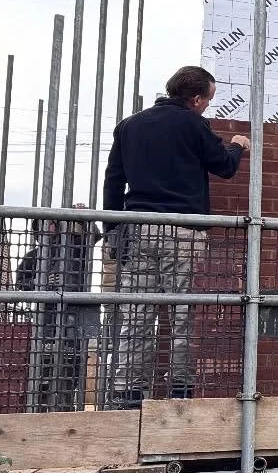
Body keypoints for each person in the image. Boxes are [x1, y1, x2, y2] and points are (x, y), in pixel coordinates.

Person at [102, 66, 250, 408]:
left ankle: (128, 396)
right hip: (183, 231)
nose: (207, 107)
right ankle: (181, 394)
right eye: (208, 100)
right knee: (181, 315)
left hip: (138, 229)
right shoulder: (193, 124)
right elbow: (224, 167)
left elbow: (113, 181)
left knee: (136, 316)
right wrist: (238, 146)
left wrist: (113, 230)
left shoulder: (129, 126)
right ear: (196, 99)